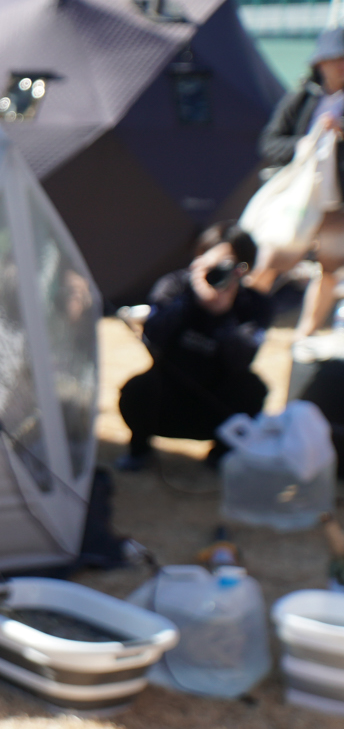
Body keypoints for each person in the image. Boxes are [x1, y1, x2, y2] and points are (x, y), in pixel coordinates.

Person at [116, 222, 271, 471]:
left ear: (244, 270)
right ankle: (139, 450)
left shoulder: (254, 304)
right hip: (167, 395)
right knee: (137, 389)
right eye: (211, 263)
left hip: (217, 401)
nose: (219, 274)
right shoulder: (175, 287)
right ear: (198, 260)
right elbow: (154, 339)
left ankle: (221, 454)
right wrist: (192, 300)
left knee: (253, 390)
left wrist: (223, 314)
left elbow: (241, 360)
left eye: (230, 266)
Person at [255, 27, 344, 335]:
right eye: (335, 58)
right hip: (297, 198)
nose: (341, 65)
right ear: (320, 62)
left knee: (328, 269)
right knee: (270, 261)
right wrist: (305, 146)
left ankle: (305, 337)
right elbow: (269, 144)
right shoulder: (303, 96)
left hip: (336, 203)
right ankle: (246, 321)